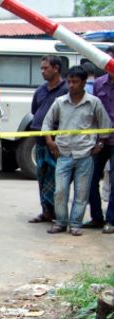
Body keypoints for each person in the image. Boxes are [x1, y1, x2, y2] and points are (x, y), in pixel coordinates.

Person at [43, 66, 111, 236]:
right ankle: (60, 222)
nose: (71, 85)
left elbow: (106, 126)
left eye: (75, 82)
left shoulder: (93, 102)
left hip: (85, 155)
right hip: (64, 153)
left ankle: (75, 224)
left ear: (83, 82)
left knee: (81, 192)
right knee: (60, 191)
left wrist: (100, 144)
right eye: (69, 81)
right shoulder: (60, 102)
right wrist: (50, 142)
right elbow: (47, 124)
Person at [28, 55, 68, 224]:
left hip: (57, 142)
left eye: (46, 68)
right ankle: (46, 212)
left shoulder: (66, 89)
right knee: (42, 177)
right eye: (41, 68)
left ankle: (58, 213)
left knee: (56, 179)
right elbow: (35, 110)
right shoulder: (40, 90)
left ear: (56, 68)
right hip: (39, 141)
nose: (43, 71)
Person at [86, 45, 114, 233]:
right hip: (100, 141)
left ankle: (111, 220)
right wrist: (97, 140)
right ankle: (97, 217)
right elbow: (94, 113)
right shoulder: (98, 84)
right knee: (90, 178)